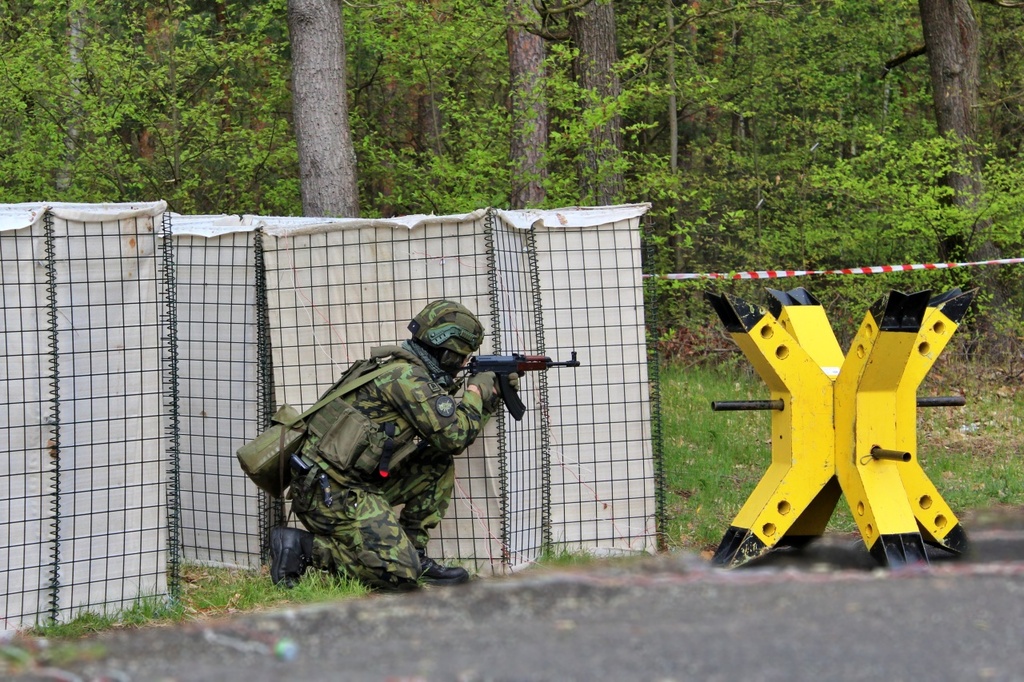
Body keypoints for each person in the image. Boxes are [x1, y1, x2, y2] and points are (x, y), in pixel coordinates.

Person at [269, 300, 515, 590]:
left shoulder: (405, 370)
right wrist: (476, 391)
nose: (463, 364)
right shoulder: (406, 377)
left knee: (435, 462)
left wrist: (492, 395)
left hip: (346, 482)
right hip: (330, 493)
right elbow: (455, 436)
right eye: (461, 358)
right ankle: (304, 548)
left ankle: (413, 552)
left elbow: (447, 438)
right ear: (446, 351)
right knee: (400, 579)